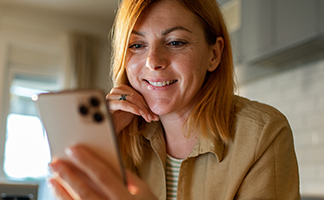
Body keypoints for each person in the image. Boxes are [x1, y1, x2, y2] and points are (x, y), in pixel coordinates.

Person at [48, 0, 300, 199]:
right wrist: (99, 140)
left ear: (214, 54)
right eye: (136, 45)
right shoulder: (121, 134)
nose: (153, 61)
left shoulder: (262, 133)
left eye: (176, 42)